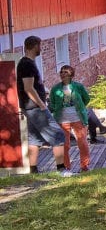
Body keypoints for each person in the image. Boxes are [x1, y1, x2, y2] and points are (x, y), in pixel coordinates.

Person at [16, 36, 70, 176]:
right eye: (39, 45)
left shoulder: (25, 63)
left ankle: (33, 172)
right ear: (34, 46)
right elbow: (28, 88)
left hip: (30, 108)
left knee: (34, 139)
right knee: (57, 136)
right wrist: (42, 105)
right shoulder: (27, 64)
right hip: (35, 108)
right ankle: (61, 170)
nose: (40, 48)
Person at [48, 65, 91, 173]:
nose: (62, 74)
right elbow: (51, 102)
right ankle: (66, 167)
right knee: (64, 145)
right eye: (61, 72)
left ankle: (84, 166)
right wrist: (55, 109)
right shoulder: (56, 88)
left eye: (65, 72)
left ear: (71, 74)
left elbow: (86, 99)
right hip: (62, 120)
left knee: (82, 142)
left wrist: (80, 108)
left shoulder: (78, 86)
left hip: (78, 118)